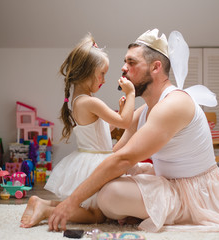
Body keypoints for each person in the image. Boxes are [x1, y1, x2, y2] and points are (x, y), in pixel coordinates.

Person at [45, 28, 219, 232]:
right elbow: (117, 140)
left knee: (109, 194)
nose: (123, 68)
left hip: (194, 194)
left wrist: (72, 201)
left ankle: (145, 210)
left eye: (131, 62)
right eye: (125, 61)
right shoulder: (149, 108)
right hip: (171, 181)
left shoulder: (173, 104)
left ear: (155, 67)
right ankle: (132, 209)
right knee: (117, 177)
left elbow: (123, 157)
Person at [20, 33, 135, 228]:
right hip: (96, 162)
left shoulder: (77, 102)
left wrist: (121, 110)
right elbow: (125, 123)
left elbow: (103, 129)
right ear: (87, 73)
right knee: (98, 216)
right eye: (102, 74)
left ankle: (44, 203)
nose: (104, 80)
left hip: (87, 158)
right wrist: (131, 93)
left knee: (92, 210)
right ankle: (48, 211)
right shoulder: (91, 102)